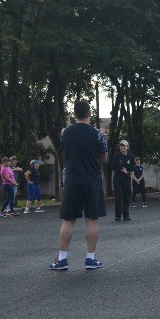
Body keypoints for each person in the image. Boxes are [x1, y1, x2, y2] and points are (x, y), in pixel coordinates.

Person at [50, 99, 108, 271]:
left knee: (68, 220)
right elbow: (104, 159)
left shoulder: (64, 132)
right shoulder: (99, 134)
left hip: (72, 180)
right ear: (89, 113)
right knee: (92, 219)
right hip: (92, 180)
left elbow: (65, 150)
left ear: (73, 114)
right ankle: (90, 259)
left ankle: (62, 258)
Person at [111, 139, 135, 221]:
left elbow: (133, 167)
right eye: (121, 146)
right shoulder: (117, 156)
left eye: (124, 146)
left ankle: (126, 215)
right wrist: (121, 170)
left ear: (127, 147)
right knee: (118, 196)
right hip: (118, 179)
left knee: (126, 197)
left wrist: (127, 171)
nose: (122, 147)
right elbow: (113, 166)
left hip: (126, 179)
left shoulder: (131, 156)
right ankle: (118, 215)